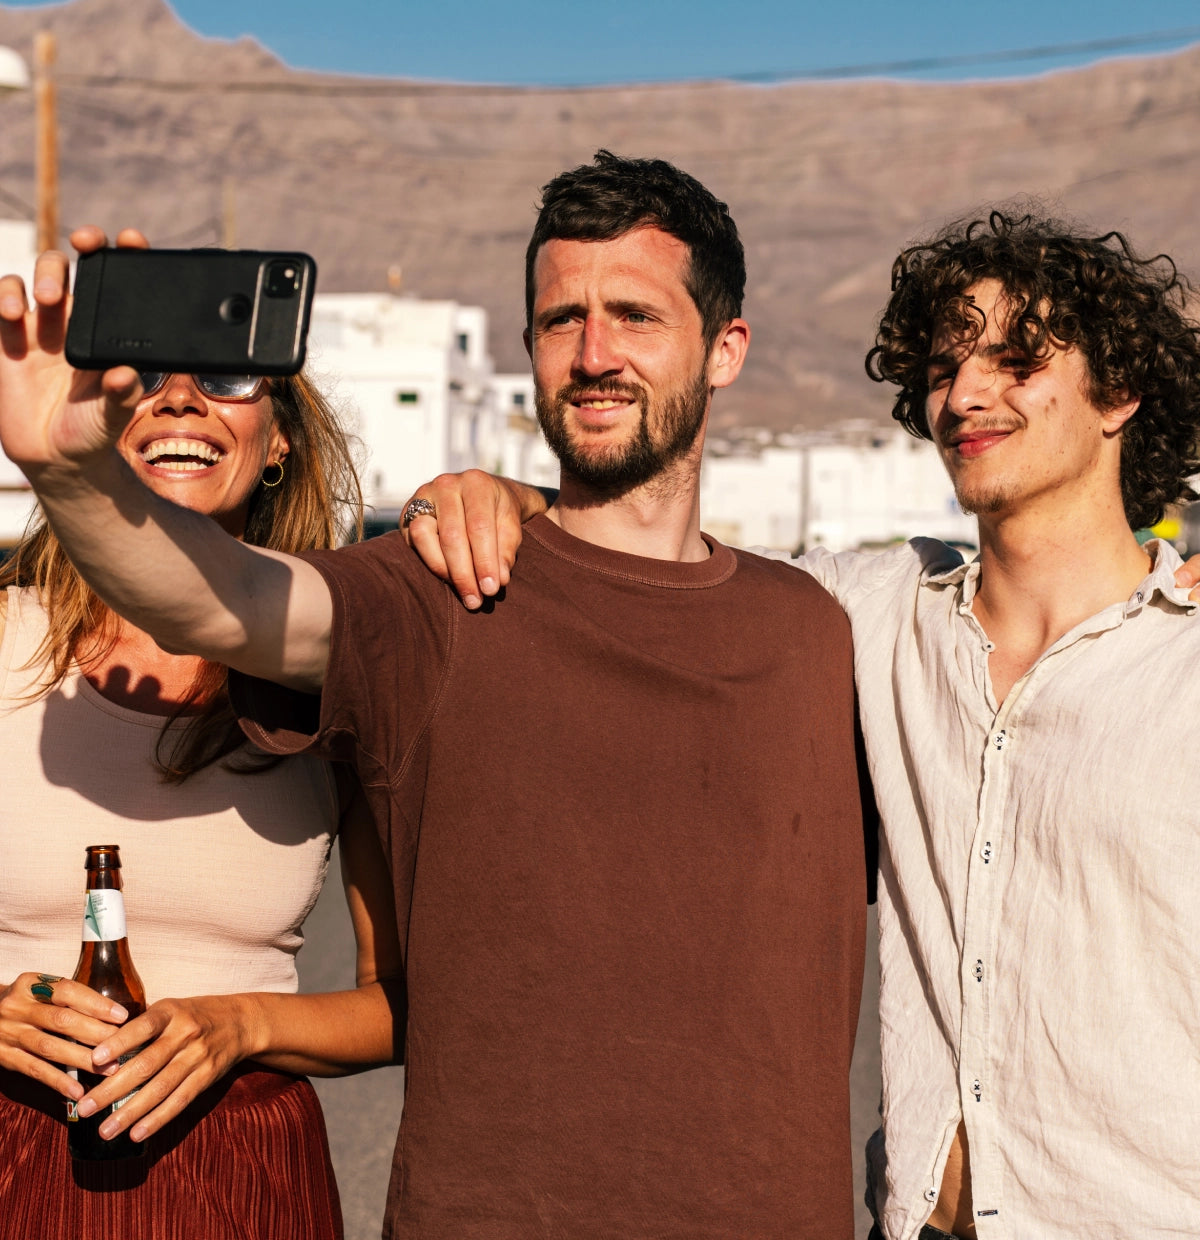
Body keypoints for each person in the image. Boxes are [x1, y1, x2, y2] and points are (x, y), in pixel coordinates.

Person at [0, 156, 871, 1239]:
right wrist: (66, 470)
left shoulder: (830, 627)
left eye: (635, 315)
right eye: (562, 320)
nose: (594, 353)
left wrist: (236, 1025)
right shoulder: (426, 598)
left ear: (725, 347)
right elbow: (221, 607)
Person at [410, 208, 1200, 1239]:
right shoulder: (862, 610)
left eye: (1016, 359)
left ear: (1121, 390)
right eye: (944, 363)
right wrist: (487, 492)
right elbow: (661, 561)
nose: (964, 394)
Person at [0, 229, 404, 1240]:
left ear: (278, 443)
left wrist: (241, 1022)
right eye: (142, 368)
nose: (181, 396)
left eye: (226, 371)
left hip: (244, 1172)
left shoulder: (337, 678)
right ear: (96, 419)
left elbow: (402, 999)